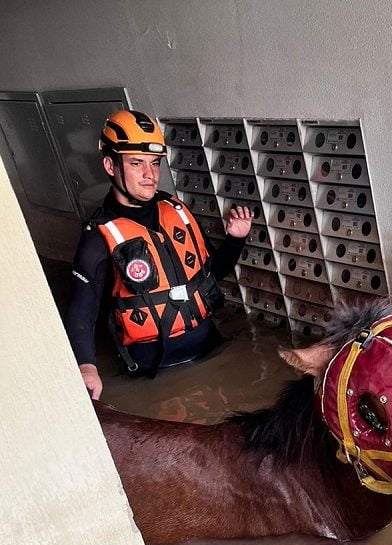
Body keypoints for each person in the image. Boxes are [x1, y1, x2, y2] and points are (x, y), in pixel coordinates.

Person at [65, 109, 253, 399]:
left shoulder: (176, 211)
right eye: (136, 163)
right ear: (110, 165)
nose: (150, 175)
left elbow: (211, 275)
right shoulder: (98, 237)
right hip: (156, 376)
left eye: (154, 163)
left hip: (212, 353)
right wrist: (86, 366)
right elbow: (81, 312)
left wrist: (236, 240)